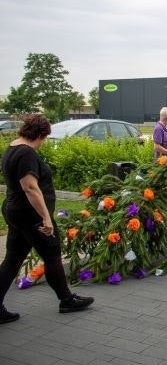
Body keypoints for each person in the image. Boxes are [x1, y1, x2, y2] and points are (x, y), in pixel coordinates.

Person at [0, 114, 94, 324]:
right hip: (30, 215)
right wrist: (46, 218)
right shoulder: (26, 153)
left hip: (15, 210)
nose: (43, 143)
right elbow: (30, 187)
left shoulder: (12, 147)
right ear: (40, 135)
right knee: (52, 254)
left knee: (13, 259)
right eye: (44, 138)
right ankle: (67, 300)